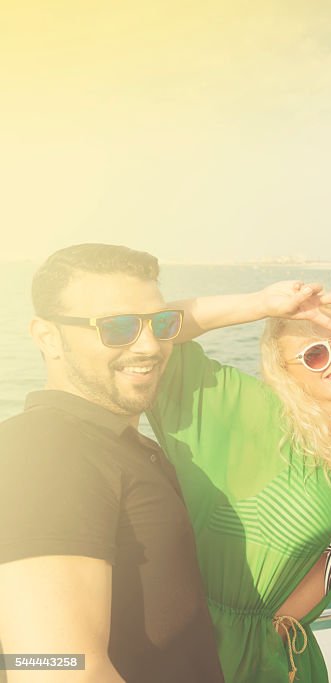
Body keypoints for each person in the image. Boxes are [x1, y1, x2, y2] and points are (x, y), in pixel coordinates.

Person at [146, 281, 331, 682]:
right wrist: (259, 304)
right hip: (217, 655)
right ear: (285, 373)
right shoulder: (255, 416)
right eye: (315, 354)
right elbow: (157, 327)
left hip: (289, 658)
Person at [0, 244, 223, 683]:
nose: (150, 346)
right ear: (48, 338)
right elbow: (53, 669)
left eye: (160, 324)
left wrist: (271, 303)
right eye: (116, 328)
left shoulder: (105, 442)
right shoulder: (45, 448)